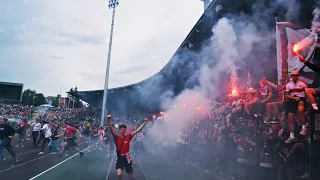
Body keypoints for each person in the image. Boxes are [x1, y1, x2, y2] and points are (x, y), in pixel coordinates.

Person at [107, 115, 148, 180]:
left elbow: (138, 130)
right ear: (119, 130)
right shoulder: (116, 137)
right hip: (120, 158)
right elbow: (110, 128)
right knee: (119, 174)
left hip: (127, 158)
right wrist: (108, 119)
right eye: (122, 130)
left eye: (124, 130)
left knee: (131, 176)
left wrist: (145, 123)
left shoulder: (128, 136)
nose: (123, 131)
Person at [284, 70, 308, 143]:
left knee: (301, 109)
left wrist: (308, 102)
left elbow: (307, 93)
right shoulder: (288, 85)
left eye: (296, 75)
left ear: (298, 76)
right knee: (290, 116)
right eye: (293, 75)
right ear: (291, 76)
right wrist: (294, 98)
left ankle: (304, 128)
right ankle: (292, 136)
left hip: (301, 99)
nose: (295, 76)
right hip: (292, 100)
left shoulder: (303, 83)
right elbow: (286, 95)